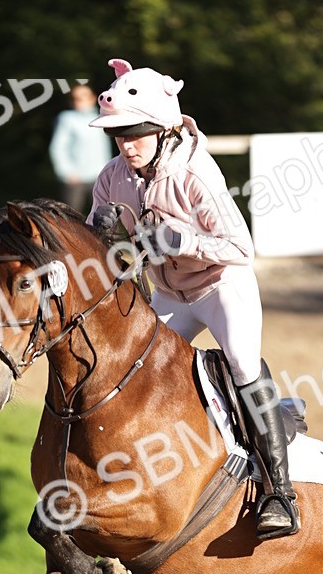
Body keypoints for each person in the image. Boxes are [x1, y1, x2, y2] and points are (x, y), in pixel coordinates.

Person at [86, 58, 299, 540]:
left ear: (162, 130)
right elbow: (98, 233)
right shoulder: (113, 175)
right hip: (167, 292)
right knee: (129, 369)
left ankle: (280, 494)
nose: (125, 143)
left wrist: (182, 242)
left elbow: (241, 248)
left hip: (220, 285)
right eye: (118, 134)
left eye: (135, 132)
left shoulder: (195, 174)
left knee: (242, 363)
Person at [49, 82, 112, 213]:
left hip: (99, 176)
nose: (79, 101)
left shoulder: (102, 117)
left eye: (83, 97)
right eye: (75, 98)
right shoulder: (66, 119)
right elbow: (57, 147)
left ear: (93, 98)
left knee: (105, 220)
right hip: (75, 179)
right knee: (71, 220)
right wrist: (66, 172)